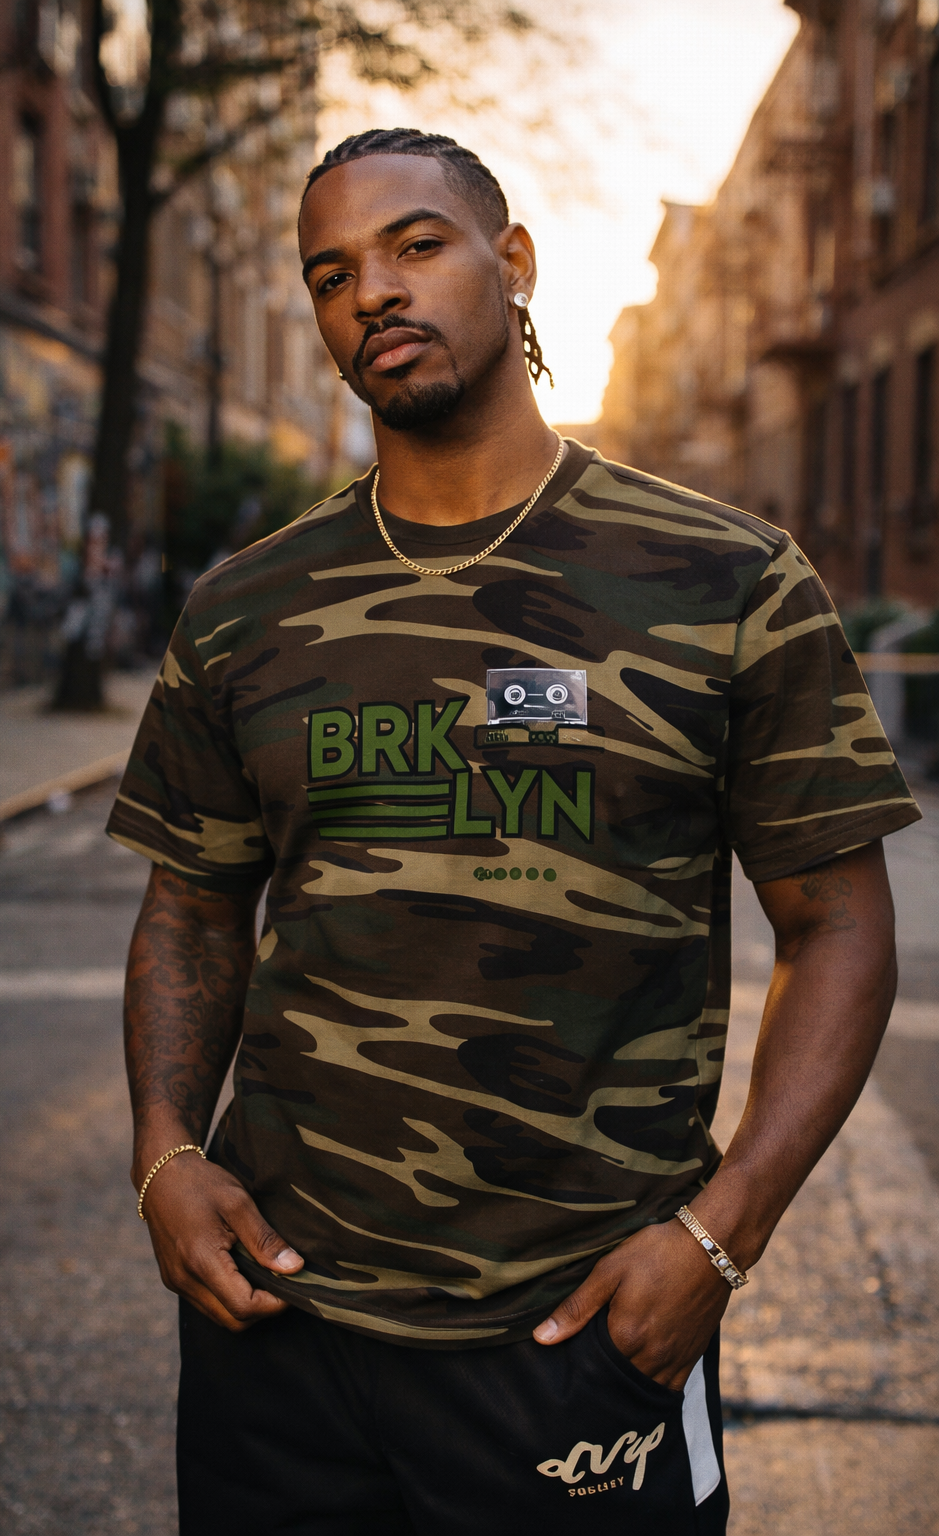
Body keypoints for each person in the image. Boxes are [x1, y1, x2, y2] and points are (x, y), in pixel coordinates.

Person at [107, 129, 920, 1535]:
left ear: (515, 263)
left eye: (416, 245)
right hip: (276, 1329)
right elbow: (191, 906)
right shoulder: (247, 608)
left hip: (580, 1334)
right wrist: (166, 1154)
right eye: (331, 271)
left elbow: (839, 925)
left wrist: (721, 1239)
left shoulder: (726, 580)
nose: (373, 291)